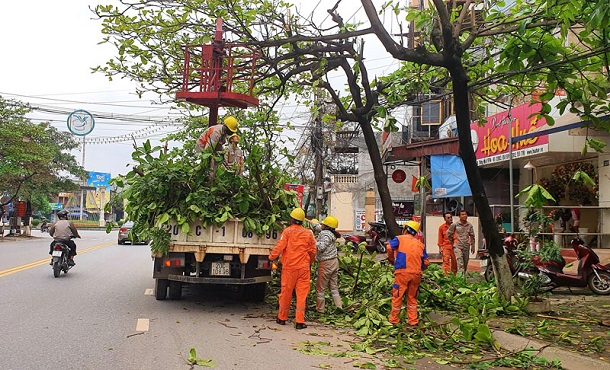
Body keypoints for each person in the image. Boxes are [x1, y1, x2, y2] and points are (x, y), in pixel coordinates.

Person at [268, 208, 317, 329]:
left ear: (291, 219)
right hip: (304, 268)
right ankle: (299, 321)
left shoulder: (287, 232)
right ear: (302, 221)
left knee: (286, 292)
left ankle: (282, 318)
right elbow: (313, 251)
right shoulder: (308, 233)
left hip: (290, 268)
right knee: (302, 294)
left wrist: (271, 257)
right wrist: (308, 263)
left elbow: (280, 246)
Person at [387, 220, 429, 327]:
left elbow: (389, 247)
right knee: (412, 298)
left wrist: (391, 259)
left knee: (397, 296)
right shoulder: (420, 244)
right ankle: (413, 321)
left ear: (406, 229)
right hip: (416, 275)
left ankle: (394, 320)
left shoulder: (400, 239)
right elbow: (426, 262)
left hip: (402, 273)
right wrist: (420, 270)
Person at [314, 216, 342, 313]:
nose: (321, 225)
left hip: (326, 263)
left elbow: (321, 247)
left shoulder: (325, 235)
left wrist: (313, 241)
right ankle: (339, 307)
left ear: (326, 226)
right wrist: (315, 224)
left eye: (323, 224)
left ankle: (320, 310)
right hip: (334, 262)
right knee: (334, 287)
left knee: (320, 288)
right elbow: (319, 228)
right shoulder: (330, 233)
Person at [447, 210, 475, 274]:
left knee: (465, 264)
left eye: (465, 214)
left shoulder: (469, 225)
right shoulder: (455, 224)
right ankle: (460, 279)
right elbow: (448, 233)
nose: (464, 216)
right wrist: (452, 242)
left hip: (466, 246)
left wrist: (473, 246)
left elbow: (472, 236)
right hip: (458, 246)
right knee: (460, 263)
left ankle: (463, 279)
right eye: (462, 214)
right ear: (459, 216)